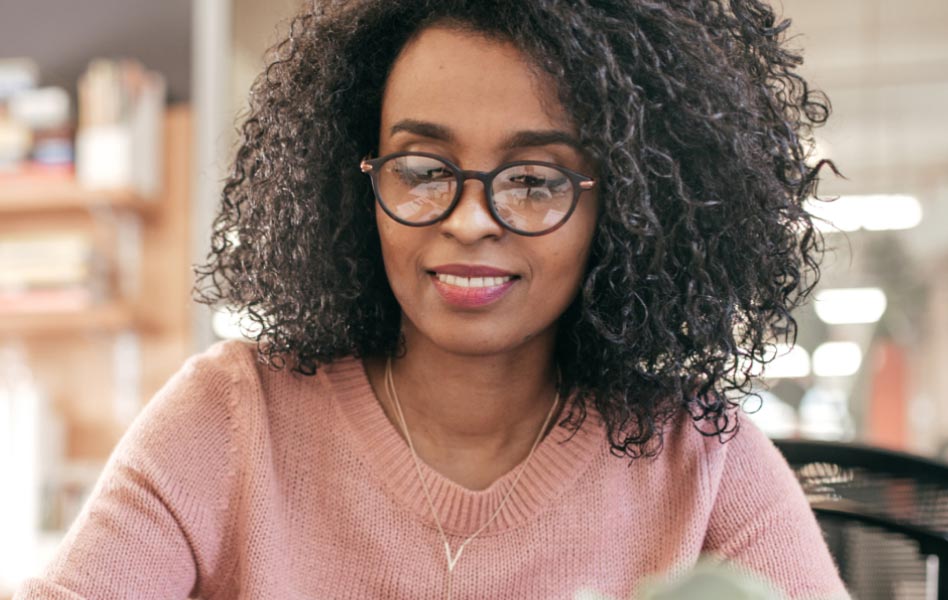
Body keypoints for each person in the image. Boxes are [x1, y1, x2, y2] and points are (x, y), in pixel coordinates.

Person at [16, 1, 849, 599]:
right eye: (423, 170)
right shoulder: (230, 420)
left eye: (533, 179)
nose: (471, 220)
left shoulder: (702, 464)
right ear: (360, 181)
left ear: (623, 204)